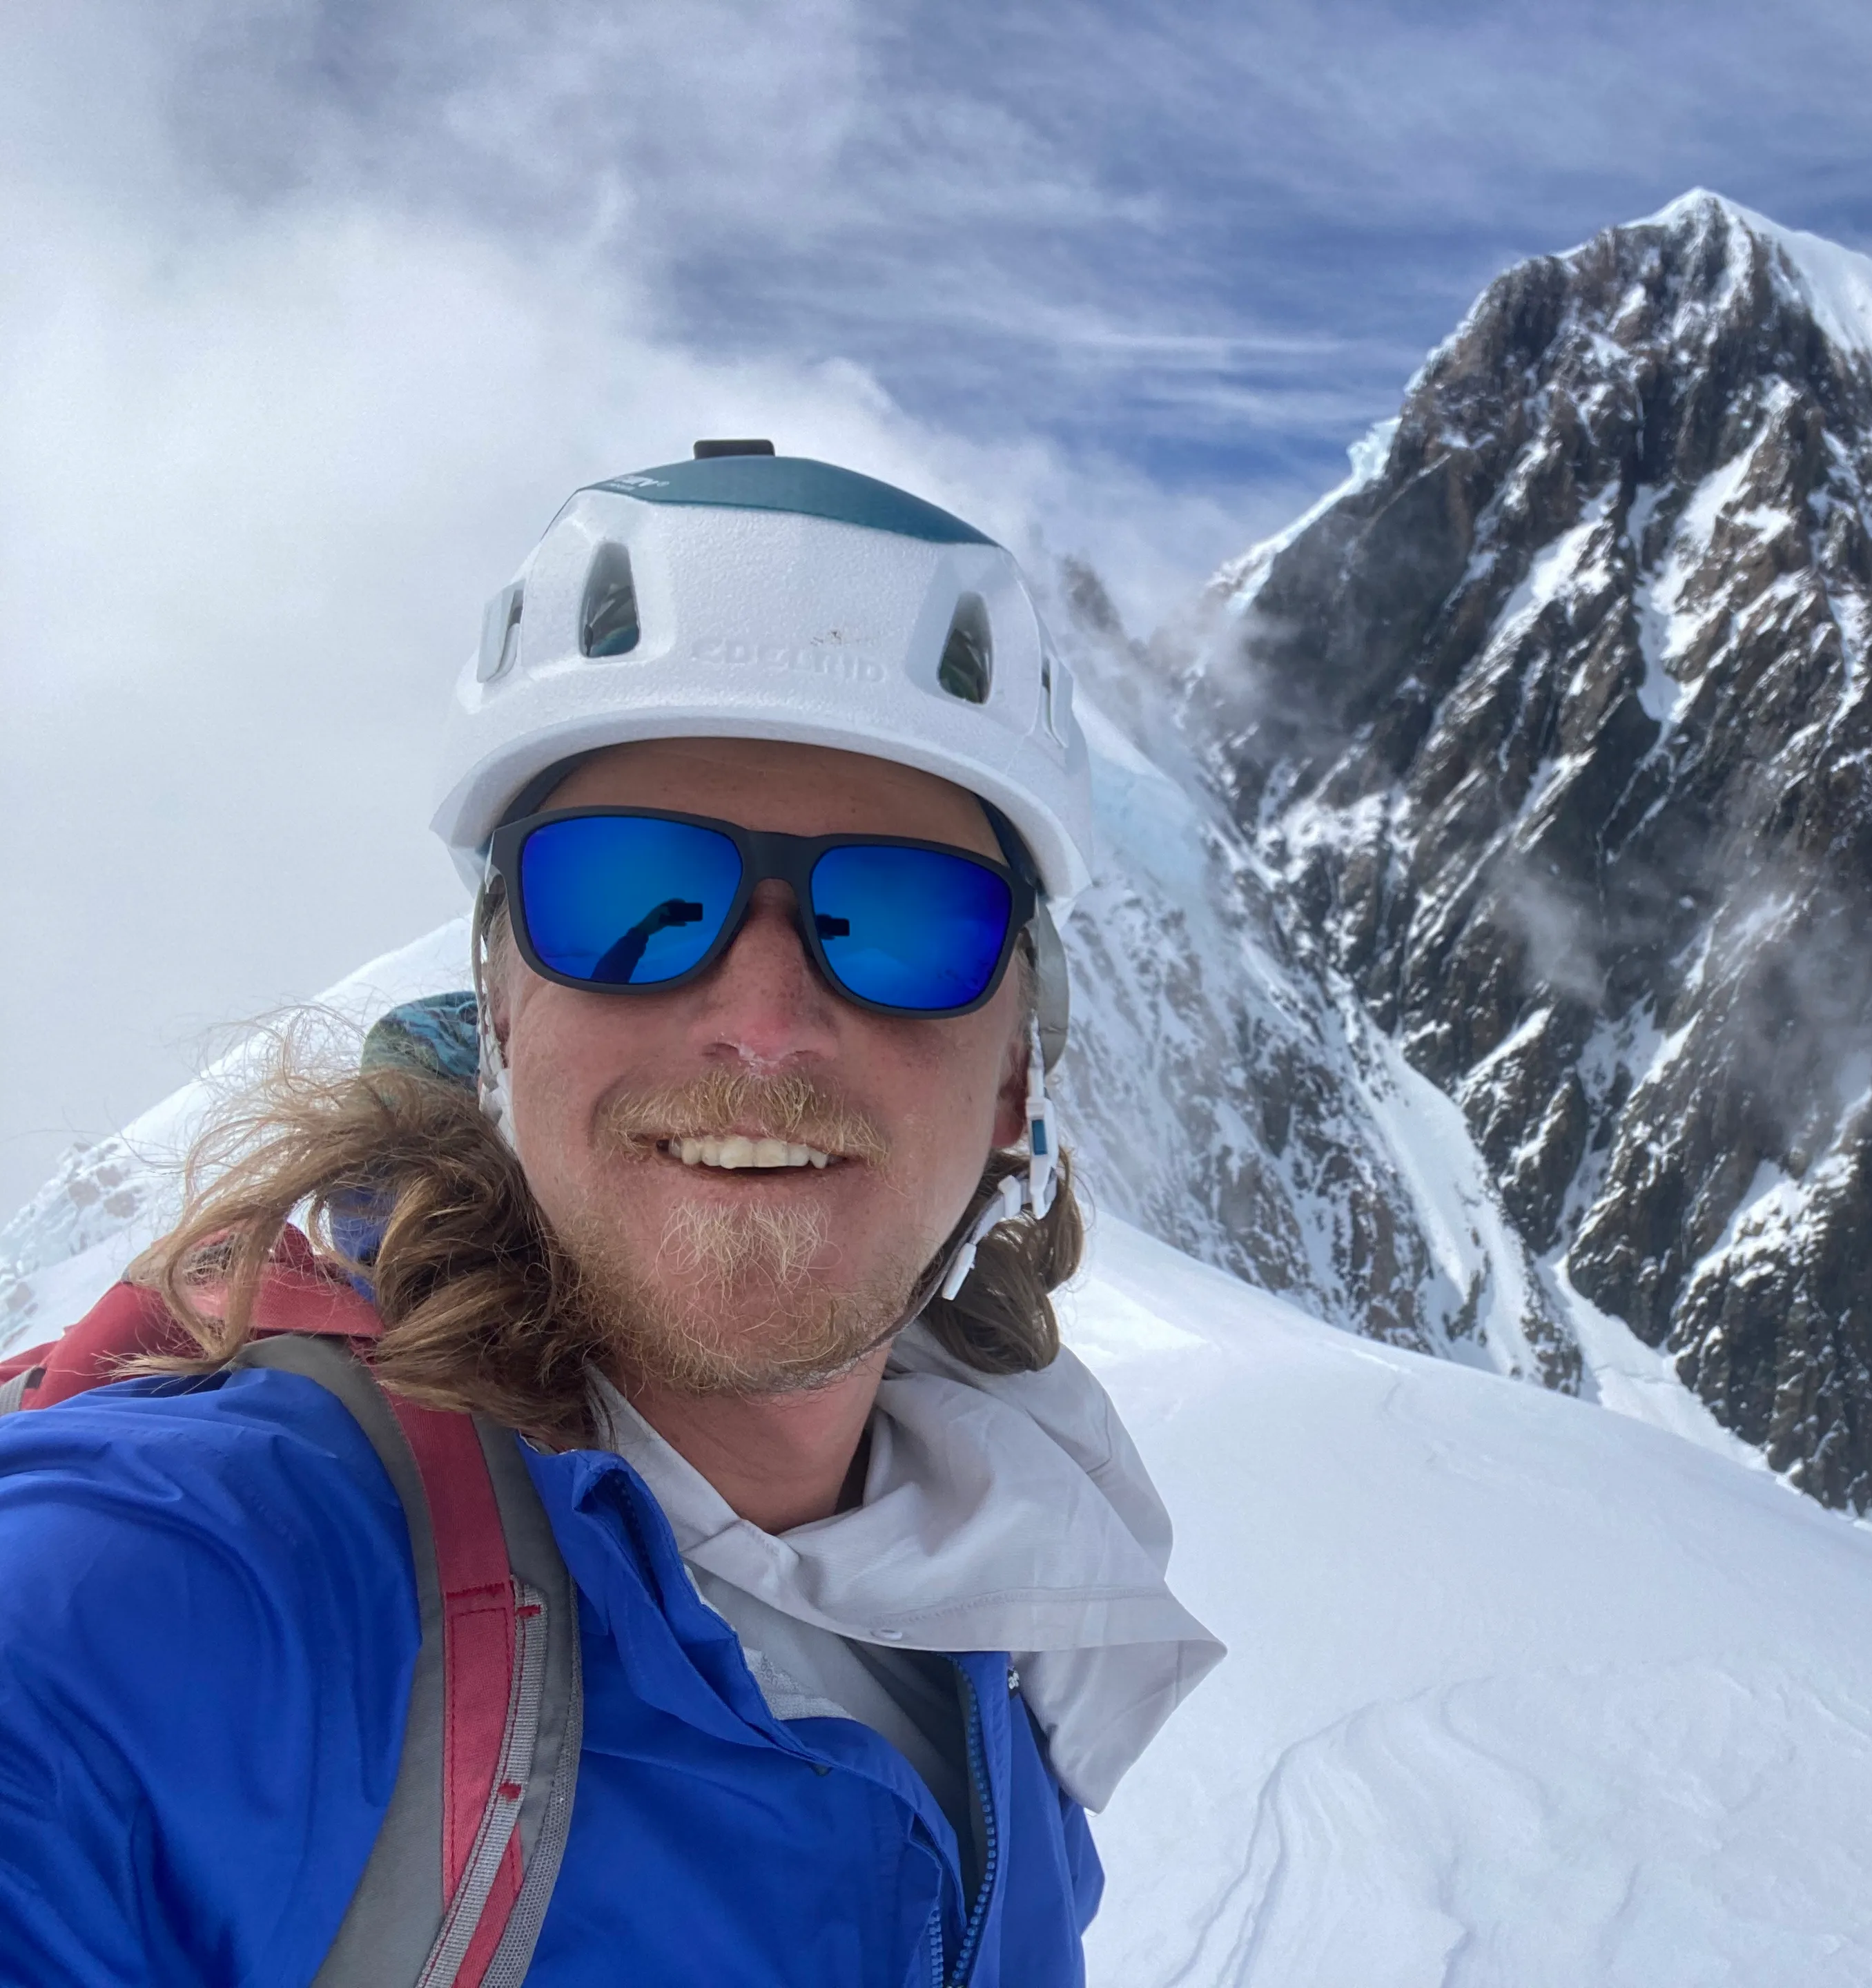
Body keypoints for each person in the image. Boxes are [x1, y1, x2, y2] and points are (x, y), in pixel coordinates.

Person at [0, 444, 1221, 1983]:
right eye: (632, 897)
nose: (765, 1021)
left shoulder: (1004, 1606)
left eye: (901, 920)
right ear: (499, 1009)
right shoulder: (188, 1592)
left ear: (1013, 1083)